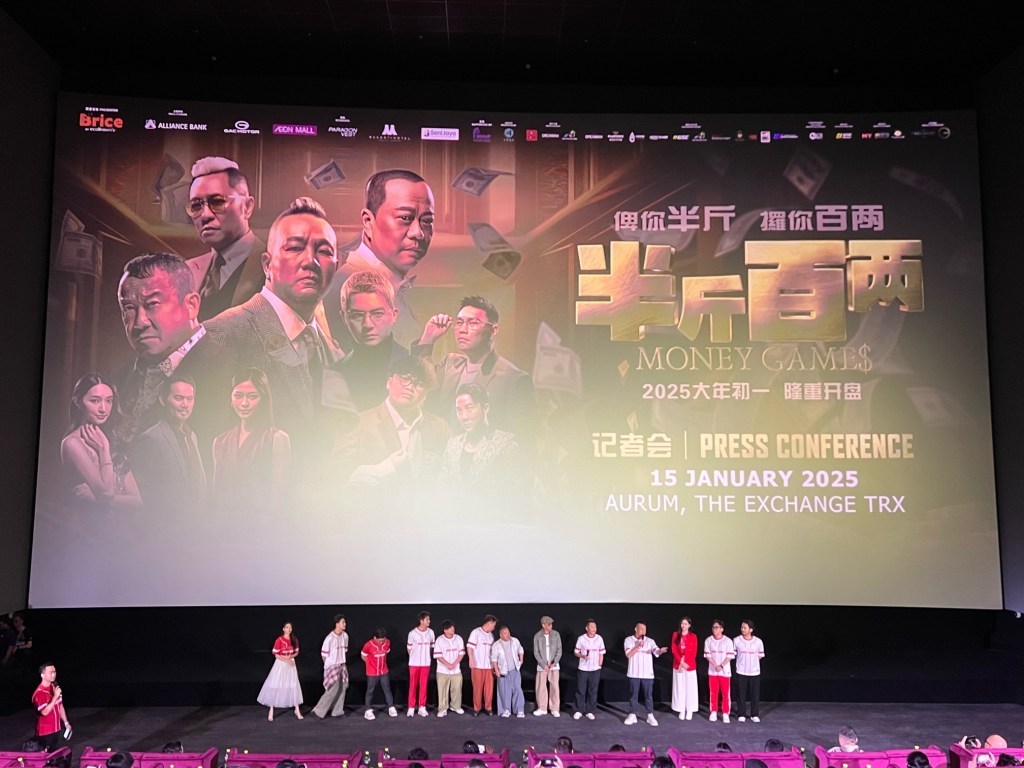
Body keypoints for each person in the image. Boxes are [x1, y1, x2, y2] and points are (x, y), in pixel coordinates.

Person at [205, 197, 345, 471]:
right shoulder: (224, 332)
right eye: (294, 248)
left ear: (336, 268)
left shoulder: (333, 351)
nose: (311, 261)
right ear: (267, 265)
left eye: (324, 251)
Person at [113, 252, 234, 457]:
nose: (140, 322)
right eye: (129, 308)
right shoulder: (118, 378)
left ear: (191, 306)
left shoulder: (232, 371)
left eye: (153, 304)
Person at [325, 169, 436, 348]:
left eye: (427, 221)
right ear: (368, 222)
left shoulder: (393, 283)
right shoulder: (344, 288)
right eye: (405, 218)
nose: (418, 233)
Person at [418, 296, 536, 435]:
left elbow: (525, 436)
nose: (462, 329)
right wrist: (428, 337)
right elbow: (416, 383)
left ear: (493, 330)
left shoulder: (514, 379)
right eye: (459, 322)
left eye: (472, 323)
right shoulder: (450, 365)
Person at [332, 356, 449, 490]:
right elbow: (336, 477)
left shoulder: (440, 427)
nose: (410, 387)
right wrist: (384, 469)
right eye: (405, 378)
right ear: (389, 382)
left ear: (426, 394)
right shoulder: (357, 424)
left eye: (419, 384)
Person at [186, 157, 265, 321]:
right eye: (196, 205)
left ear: (247, 207)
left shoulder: (275, 269)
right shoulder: (187, 271)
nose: (205, 215)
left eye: (217, 202)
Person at [210, 368, 290, 513]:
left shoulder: (276, 438)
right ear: (231, 398)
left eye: (252, 396)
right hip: (224, 522)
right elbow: (216, 495)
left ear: (263, 398)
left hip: (260, 522)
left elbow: (278, 497)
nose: (244, 403)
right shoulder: (220, 441)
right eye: (238, 396)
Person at [330, 269, 410, 410]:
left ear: (394, 315)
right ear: (344, 318)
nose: (367, 324)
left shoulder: (414, 366)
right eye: (357, 315)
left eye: (377, 314)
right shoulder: (332, 377)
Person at [60, 373, 141, 511]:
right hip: (87, 523)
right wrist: (104, 450)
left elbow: (137, 502)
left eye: (109, 401)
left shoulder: (111, 439)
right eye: (95, 401)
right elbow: (107, 492)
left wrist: (95, 498)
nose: (103, 409)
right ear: (78, 401)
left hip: (122, 523)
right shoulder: (72, 443)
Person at [129, 374, 206, 513]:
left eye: (190, 399)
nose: (185, 404)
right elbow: (143, 494)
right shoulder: (151, 438)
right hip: (164, 521)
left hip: (195, 521)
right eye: (178, 398)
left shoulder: (192, 436)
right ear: (162, 399)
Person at [439, 383, 522, 495]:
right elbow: (442, 488)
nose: (464, 416)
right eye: (459, 411)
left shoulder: (505, 443)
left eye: (469, 408)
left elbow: (519, 491)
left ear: (485, 408)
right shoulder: (453, 445)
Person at [256, 621, 303, 721]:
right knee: (276, 683)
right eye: (287, 627)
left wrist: (291, 657)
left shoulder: (294, 640)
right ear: (283, 629)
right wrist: (286, 659)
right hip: (281, 664)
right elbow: (276, 654)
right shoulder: (279, 640)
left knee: (293, 684)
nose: (289, 629)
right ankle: (271, 709)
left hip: (291, 664)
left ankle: (297, 709)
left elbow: (296, 652)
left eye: (290, 627)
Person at [622, 622, 667, 727]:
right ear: (635, 629)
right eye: (641, 629)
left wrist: (661, 651)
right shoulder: (628, 640)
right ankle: (632, 714)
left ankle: (650, 715)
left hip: (647, 674)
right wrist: (638, 646)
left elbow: (656, 651)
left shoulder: (650, 641)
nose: (643, 631)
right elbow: (629, 655)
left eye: (645, 629)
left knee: (648, 695)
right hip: (634, 673)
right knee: (633, 695)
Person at [311, 614, 349, 718]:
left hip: (342, 666)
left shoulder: (345, 636)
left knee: (342, 688)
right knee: (332, 690)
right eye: (343, 622)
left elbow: (344, 651)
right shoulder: (329, 638)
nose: (345, 624)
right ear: (337, 624)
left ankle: (337, 711)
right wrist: (329, 666)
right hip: (332, 667)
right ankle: (319, 710)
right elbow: (324, 655)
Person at [360, 628, 397, 719]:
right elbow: (363, 656)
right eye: (379, 640)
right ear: (374, 638)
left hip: (384, 671)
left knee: (387, 689)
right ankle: (368, 710)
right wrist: (370, 664)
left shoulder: (387, 643)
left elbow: (386, 652)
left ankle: (391, 707)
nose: (381, 642)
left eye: (383, 640)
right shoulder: (368, 645)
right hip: (372, 673)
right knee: (370, 690)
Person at [733, 619, 765, 722]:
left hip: (754, 672)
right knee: (741, 694)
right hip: (741, 671)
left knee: (755, 694)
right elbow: (734, 654)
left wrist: (753, 661)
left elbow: (760, 655)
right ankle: (741, 714)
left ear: (751, 629)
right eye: (742, 627)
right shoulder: (736, 640)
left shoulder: (758, 641)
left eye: (745, 628)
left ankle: (754, 714)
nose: (742, 629)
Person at [32, 663, 70, 751]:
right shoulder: (40, 693)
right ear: (42, 675)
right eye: (50, 672)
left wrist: (66, 722)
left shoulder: (55, 688)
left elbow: (60, 705)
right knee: (46, 755)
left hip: (56, 730)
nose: (53, 674)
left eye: (54, 672)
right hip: (45, 732)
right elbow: (44, 712)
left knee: (54, 753)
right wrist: (55, 697)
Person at [573, 619, 605, 720]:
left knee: (593, 691)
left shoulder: (599, 638)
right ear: (587, 628)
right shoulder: (581, 638)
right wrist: (582, 656)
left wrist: (600, 665)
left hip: (595, 669)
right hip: (583, 668)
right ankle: (579, 710)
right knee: (581, 690)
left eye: (595, 627)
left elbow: (602, 652)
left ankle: (590, 711)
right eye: (592, 627)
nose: (594, 629)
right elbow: (576, 652)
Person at [490, 625, 525, 717]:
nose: (508, 635)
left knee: (517, 689)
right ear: (501, 635)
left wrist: (521, 660)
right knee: (504, 691)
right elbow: (494, 659)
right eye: (505, 633)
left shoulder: (515, 641)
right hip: (503, 671)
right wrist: (496, 670)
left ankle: (519, 710)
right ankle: (506, 710)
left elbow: (520, 649)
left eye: (508, 632)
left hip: (515, 669)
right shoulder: (496, 645)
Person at [433, 619, 466, 717]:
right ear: (445, 630)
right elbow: (438, 655)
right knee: (442, 690)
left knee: (457, 689)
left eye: (453, 627)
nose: (452, 629)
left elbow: (461, 653)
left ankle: (456, 706)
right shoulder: (439, 640)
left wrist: (454, 664)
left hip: (456, 670)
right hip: (442, 670)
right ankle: (442, 708)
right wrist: (448, 664)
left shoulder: (458, 638)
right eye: (450, 628)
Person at [466, 614, 497, 716]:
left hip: (488, 667)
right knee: (477, 688)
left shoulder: (491, 636)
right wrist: (471, 659)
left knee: (489, 689)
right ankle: (477, 708)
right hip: (477, 665)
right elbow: (470, 647)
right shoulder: (476, 632)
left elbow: (493, 651)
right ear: (489, 623)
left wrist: (493, 665)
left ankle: (488, 707)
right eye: (493, 625)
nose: (494, 628)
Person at [704, 619, 735, 723]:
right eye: (713, 627)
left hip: (724, 671)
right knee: (713, 692)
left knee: (725, 693)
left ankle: (725, 713)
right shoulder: (708, 640)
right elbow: (708, 655)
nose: (714, 629)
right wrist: (715, 665)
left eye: (717, 627)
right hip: (713, 671)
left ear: (722, 629)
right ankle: (713, 711)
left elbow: (730, 656)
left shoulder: (728, 641)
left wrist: (721, 665)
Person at [533, 615, 562, 717]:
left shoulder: (556, 635)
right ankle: (542, 708)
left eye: (551, 624)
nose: (550, 626)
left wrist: (554, 662)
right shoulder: (537, 636)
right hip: (542, 666)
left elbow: (559, 650)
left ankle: (554, 708)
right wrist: (543, 664)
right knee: (541, 687)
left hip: (554, 665)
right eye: (548, 624)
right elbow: (536, 652)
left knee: (554, 687)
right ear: (543, 625)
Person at [407, 611, 435, 716]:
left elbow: (432, 647)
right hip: (414, 664)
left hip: (426, 664)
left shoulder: (431, 632)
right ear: (421, 620)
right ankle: (411, 707)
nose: (429, 621)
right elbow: (409, 648)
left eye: (429, 619)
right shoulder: (412, 633)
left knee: (423, 686)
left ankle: (422, 707)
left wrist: (426, 657)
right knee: (413, 686)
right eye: (427, 619)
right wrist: (415, 657)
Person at [671, 615, 699, 721]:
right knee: (679, 687)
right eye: (682, 623)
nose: (683, 626)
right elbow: (674, 650)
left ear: (689, 625)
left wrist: (685, 662)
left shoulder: (693, 636)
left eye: (686, 624)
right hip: (678, 665)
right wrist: (680, 662)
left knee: (690, 688)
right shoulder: (675, 635)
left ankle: (690, 709)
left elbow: (694, 652)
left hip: (689, 665)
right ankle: (681, 709)